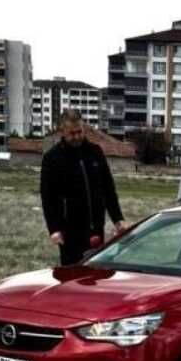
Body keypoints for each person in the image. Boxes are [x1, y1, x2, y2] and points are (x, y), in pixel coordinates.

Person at [40, 110, 127, 265]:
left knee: (96, 273)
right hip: (69, 232)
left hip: (96, 228)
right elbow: (48, 198)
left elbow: (108, 188)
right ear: (63, 132)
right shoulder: (52, 159)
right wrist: (54, 229)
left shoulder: (95, 152)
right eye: (72, 133)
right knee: (73, 277)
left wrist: (118, 219)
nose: (77, 136)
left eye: (79, 131)